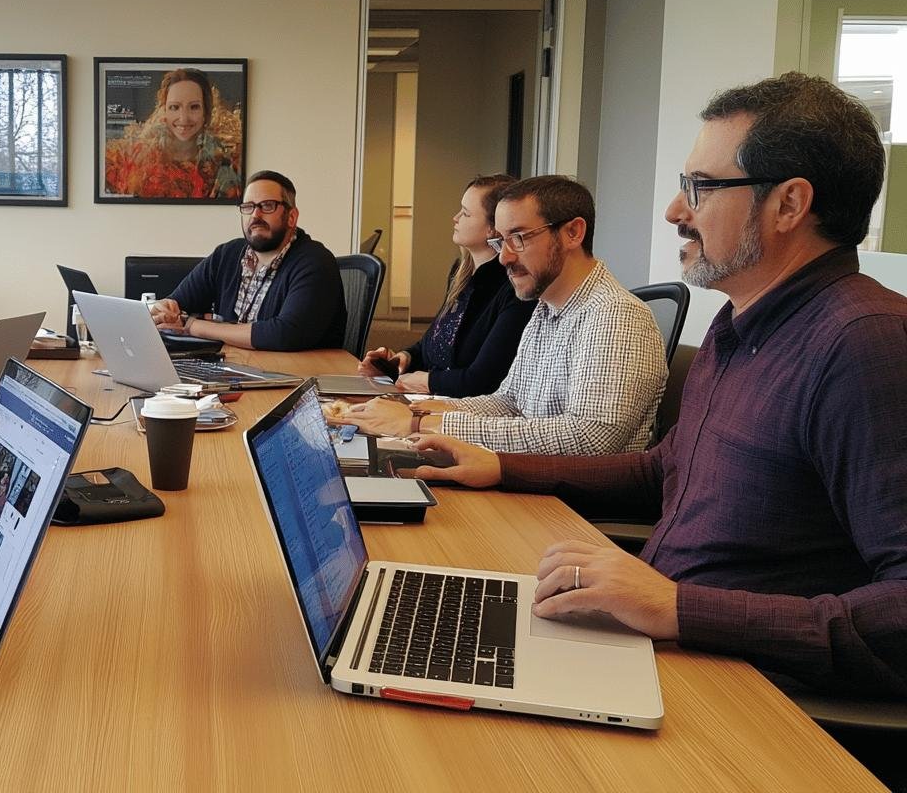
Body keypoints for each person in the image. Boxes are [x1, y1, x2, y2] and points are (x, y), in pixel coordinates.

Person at [403, 74, 906, 707]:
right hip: (664, 642)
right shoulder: (737, 325)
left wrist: (678, 607)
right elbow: (663, 470)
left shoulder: (865, 343)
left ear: (789, 204)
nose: (674, 211)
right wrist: (501, 464)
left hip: (743, 688)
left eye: (700, 187)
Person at [333, 176, 666, 455]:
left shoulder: (615, 315)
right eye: (500, 242)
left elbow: (591, 439)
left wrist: (424, 424)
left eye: (518, 238)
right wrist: (413, 410)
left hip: (569, 510)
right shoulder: (547, 309)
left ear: (573, 233)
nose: (505, 258)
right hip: (525, 482)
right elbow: (509, 402)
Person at [358, 173, 535, 396]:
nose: (455, 217)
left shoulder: (513, 289)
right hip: (429, 399)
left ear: (494, 227)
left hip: (459, 411)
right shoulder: (461, 272)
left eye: (466, 213)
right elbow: (436, 341)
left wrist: (428, 381)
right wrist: (403, 358)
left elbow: (482, 381)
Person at [150, 170, 347, 351]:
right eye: (248, 207)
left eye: (268, 206)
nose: (255, 215)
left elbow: (286, 335)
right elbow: (179, 302)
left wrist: (194, 326)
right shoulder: (227, 254)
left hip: (300, 375)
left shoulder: (315, 262)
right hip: (238, 366)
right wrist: (165, 310)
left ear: (291, 217)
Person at [104, 67, 243, 199]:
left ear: (205, 113)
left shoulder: (224, 164)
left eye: (194, 107)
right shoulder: (136, 158)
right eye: (174, 107)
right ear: (164, 110)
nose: (183, 118)